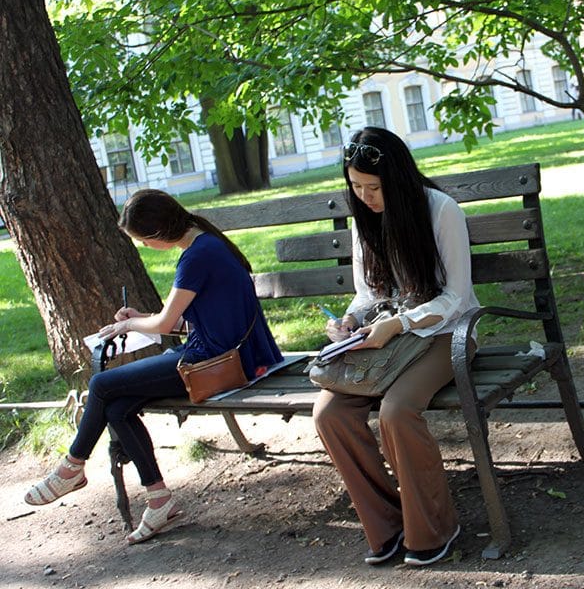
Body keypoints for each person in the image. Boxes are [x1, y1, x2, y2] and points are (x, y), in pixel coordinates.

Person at [24, 189, 282, 545]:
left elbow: (164, 327)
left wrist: (129, 325)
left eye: (143, 240)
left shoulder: (196, 257)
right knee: (117, 407)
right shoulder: (206, 244)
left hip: (214, 362)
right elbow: (190, 320)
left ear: (160, 232)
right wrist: (144, 317)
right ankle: (159, 498)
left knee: (101, 386)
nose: (145, 246)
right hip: (226, 353)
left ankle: (72, 467)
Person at [313, 126, 480, 567]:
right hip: (388, 339)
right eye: (355, 187)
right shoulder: (364, 220)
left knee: (397, 411)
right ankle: (388, 524)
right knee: (328, 414)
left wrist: (399, 323)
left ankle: (435, 528)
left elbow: (457, 297)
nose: (365, 197)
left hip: (447, 332)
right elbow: (369, 293)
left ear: (399, 180)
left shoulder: (440, 210)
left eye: (373, 187)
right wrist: (351, 321)